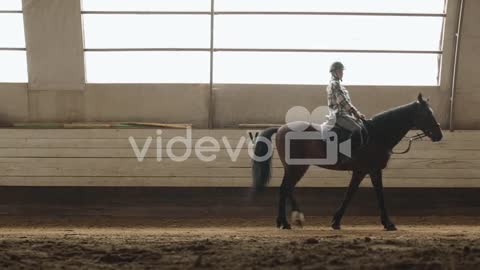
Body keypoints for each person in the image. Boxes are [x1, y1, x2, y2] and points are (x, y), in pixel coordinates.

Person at [326, 61, 366, 148]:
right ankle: (350, 155)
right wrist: (356, 113)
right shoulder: (334, 84)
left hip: (345, 115)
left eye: (342, 71)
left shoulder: (340, 85)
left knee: (363, 126)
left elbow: (348, 103)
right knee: (357, 130)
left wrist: (357, 114)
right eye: (340, 71)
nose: (342, 73)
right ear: (334, 72)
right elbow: (343, 101)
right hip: (339, 116)